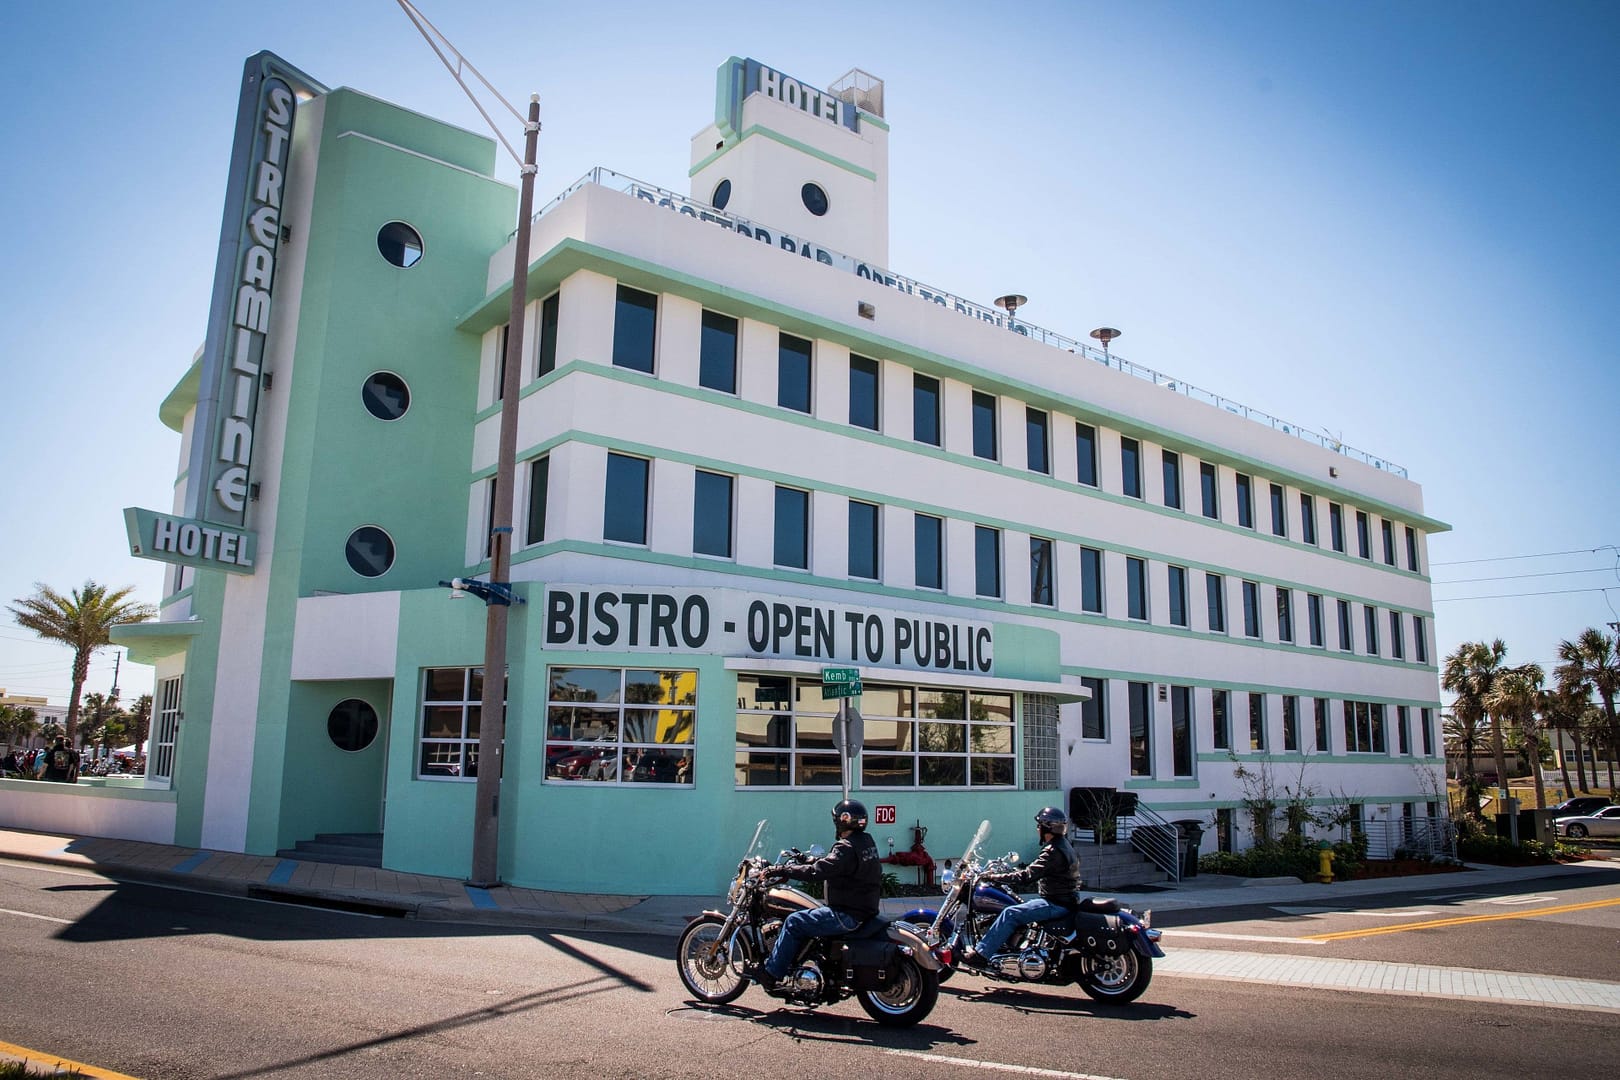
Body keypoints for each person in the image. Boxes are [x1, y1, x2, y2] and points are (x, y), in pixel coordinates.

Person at [749, 799, 883, 991]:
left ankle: (771, 973)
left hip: (846, 915)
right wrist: (808, 859)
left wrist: (782, 870)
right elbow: (834, 865)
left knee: (794, 922)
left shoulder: (845, 847)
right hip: (865, 911)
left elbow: (817, 872)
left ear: (841, 821)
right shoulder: (865, 841)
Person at [960, 806, 1081, 967]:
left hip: (1056, 903)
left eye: (1039, 826)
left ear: (1046, 828)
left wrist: (992, 876)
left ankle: (981, 955)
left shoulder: (1052, 851)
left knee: (1010, 913)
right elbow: (1037, 871)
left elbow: (1026, 876)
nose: (1037, 829)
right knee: (1016, 906)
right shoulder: (1064, 845)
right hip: (1065, 900)